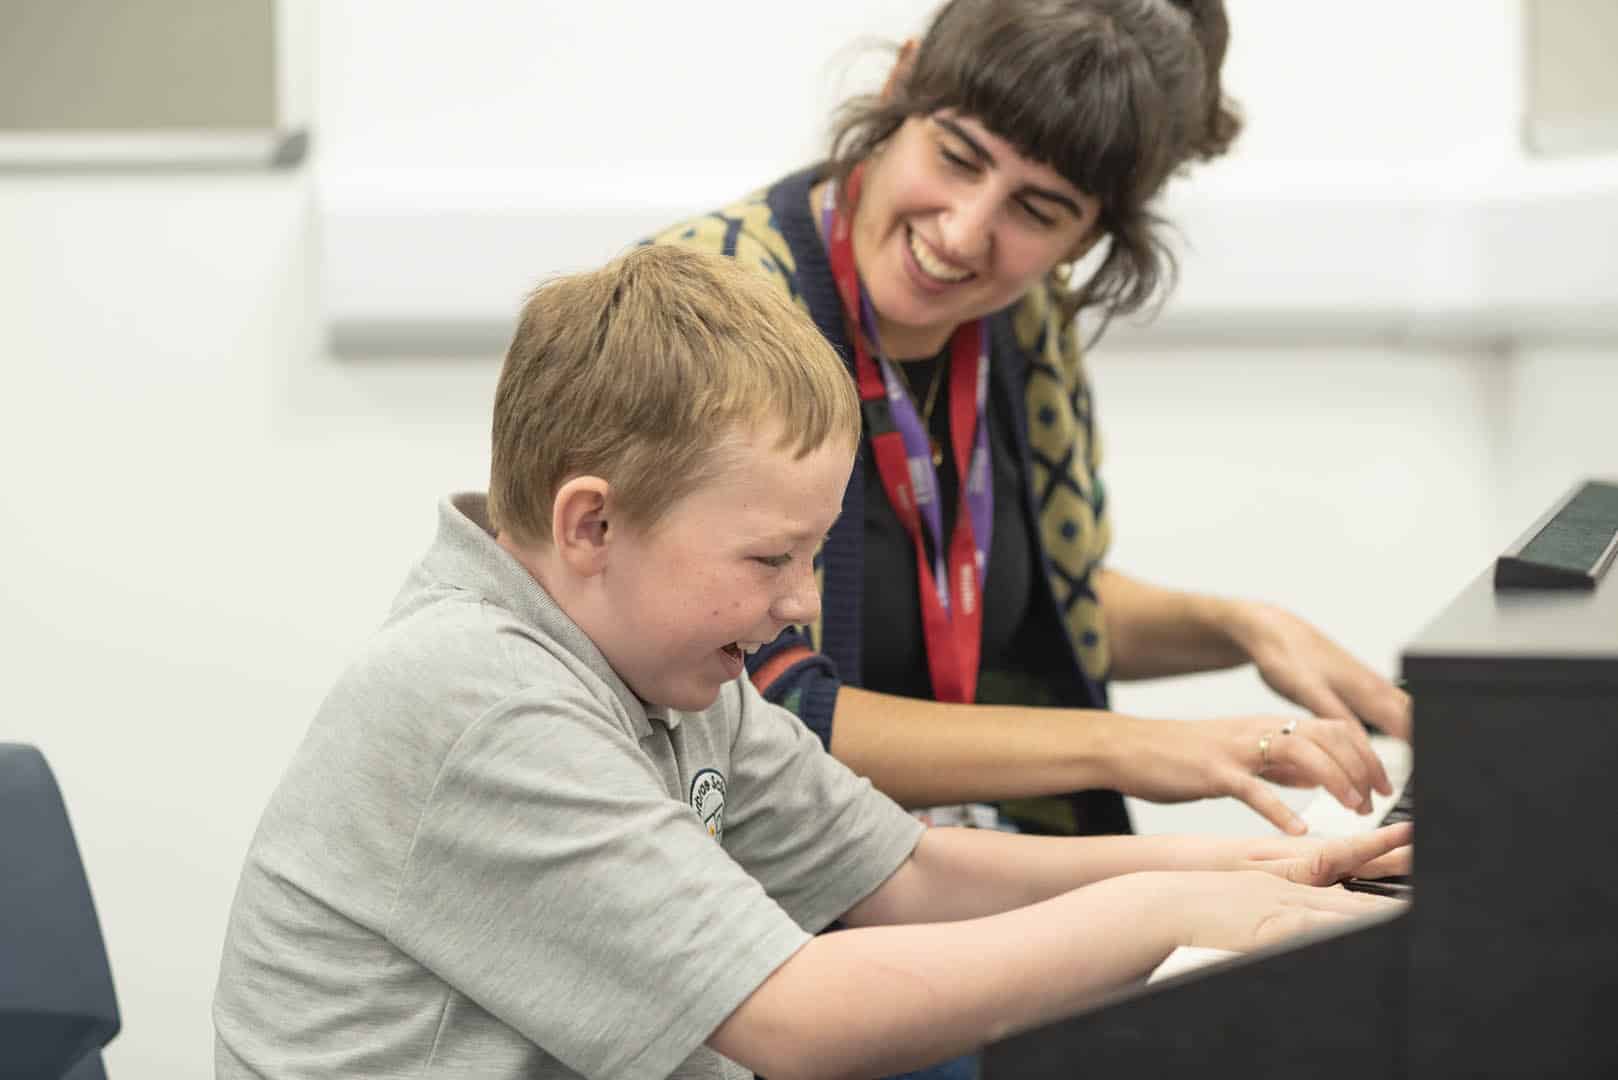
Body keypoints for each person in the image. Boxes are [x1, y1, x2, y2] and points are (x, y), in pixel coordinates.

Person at [213, 245, 1409, 1079]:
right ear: (591, 525)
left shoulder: (669, 670)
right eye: (771, 556)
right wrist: (1165, 909)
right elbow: (795, 1019)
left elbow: (905, 876)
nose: (798, 610)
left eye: (815, 554)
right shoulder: (481, 696)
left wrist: (1268, 864)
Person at [648, 0, 1412, 843]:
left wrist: (1243, 627)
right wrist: (1123, 749)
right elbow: (763, 704)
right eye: (957, 156)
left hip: (938, 870)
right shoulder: (717, 312)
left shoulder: (1022, 319)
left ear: (1088, 235)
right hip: (764, 895)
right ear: (902, 85)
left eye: (1038, 211)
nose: (965, 232)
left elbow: (1041, 601)